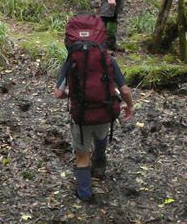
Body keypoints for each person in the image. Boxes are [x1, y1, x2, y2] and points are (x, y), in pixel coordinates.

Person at [53, 49, 134, 203]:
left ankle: (84, 194)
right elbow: (124, 90)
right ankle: (99, 166)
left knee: (82, 155)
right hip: (105, 112)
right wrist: (129, 105)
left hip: (81, 116)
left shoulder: (72, 61)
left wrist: (72, 94)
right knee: (101, 135)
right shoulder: (108, 59)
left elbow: (58, 93)